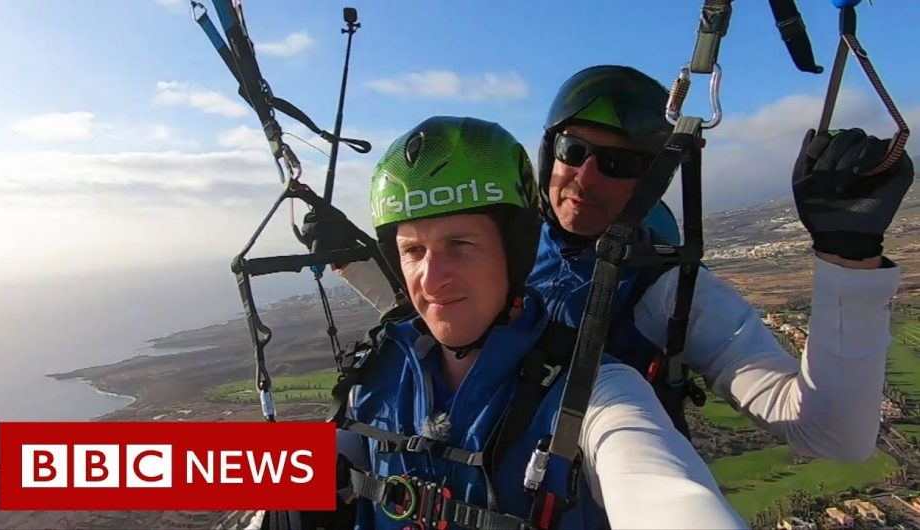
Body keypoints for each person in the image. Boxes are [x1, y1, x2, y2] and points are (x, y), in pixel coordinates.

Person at [322, 65, 913, 465]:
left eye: (619, 164)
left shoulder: (664, 290)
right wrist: (354, 261)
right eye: (573, 151)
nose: (585, 177)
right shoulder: (507, 242)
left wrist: (848, 257)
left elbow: (833, 434)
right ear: (548, 153)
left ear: (652, 180)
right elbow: (443, 308)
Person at [314, 116, 747, 529]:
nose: (431, 279)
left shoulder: (591, 394)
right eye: (413, 251)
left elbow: (668, 498)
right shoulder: (377, 374)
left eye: (460, 244)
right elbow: (263, 472)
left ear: (515, 250)